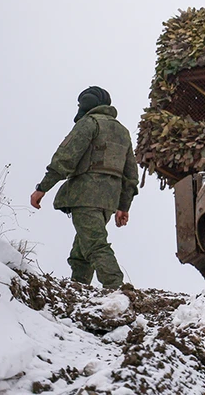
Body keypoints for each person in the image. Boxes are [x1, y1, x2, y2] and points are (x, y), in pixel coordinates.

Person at [30, 86, 139, 290]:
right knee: (82, 249)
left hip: (85, 196)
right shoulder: (122, 132)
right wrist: (123, 206)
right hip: (108, 201)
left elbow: (65, 158)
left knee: (95, 245)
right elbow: (131, 175)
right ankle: (79, 289)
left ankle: (116, 287)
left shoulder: (89, 124)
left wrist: (42, 188)